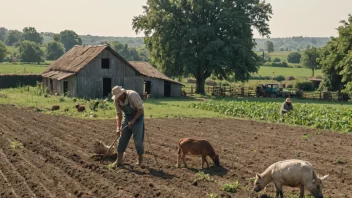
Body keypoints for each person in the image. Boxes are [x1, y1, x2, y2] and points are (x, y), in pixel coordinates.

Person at [110, 86, 145, 167]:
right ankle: (118, 161)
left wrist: (133, 121)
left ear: (122, 93)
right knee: (122, 139)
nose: (117, 98)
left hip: (138, 117)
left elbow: (140, 109)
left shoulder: (132, 95)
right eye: (116, 97)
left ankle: (140, 160)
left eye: (118, 96)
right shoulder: (116, 101)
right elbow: (118, 115)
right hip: (127, 117)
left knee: (138, 141)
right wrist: (118, 128)